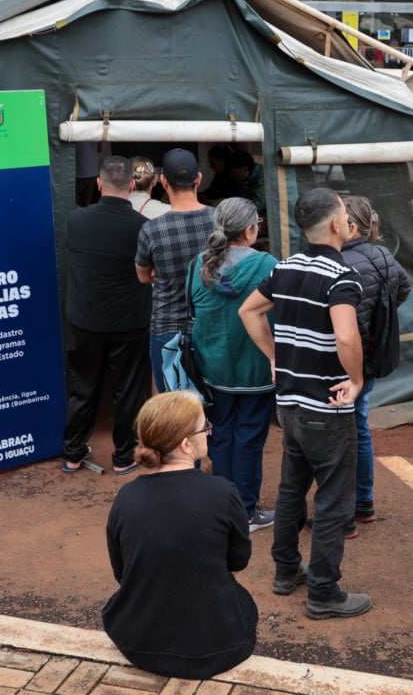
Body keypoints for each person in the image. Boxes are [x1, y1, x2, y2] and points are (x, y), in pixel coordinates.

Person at [239, 188, 372, 620]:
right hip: (327, 408)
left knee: (292, 488)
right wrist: (355, 380)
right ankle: (324, 592)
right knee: (334, 500)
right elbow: (346, 336)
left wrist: (276, 357)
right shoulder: (341, 276)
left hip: (290, 403)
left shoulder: (286, 267)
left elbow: (249, 312)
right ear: (337, 225)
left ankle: (285, 571)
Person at [102, 391, 258, 678]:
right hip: (219, 645)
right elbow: (238, 561)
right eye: (205, 427)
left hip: (139, 641)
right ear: (186, 444)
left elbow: (121, 572)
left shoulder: (126, 497)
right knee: (242, 602)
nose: (209, 432)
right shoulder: (223, 493)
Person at [190, 197, 279, 532]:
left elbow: (192, 309)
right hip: (256, 367)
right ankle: (245, 510)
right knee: (250, 437)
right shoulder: (268, 263)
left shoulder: (199, 264)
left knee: (220, 435)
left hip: (211, 368)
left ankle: (221, 506)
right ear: (249, 229)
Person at [61, 156, 152, 475]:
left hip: (84, 319)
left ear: (99, 184)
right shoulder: (143, 227)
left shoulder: (76, 220)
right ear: (131, 185)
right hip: (129, 321)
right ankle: (123, 457)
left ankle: (73, 454)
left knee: (82, 387)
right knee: (127, 390)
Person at [339, 196, 411, 538]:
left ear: (350, 226)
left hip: (343, 359)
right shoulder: (383, 255)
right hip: (372, 356)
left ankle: (343, 512)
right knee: (360, 425)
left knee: (339, 434)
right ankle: (363, 502)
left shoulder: (338, 262)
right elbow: (404, 289)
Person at [135, 148, 216, 393]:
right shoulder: (218, 221)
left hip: (166, 328)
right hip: (210, 324)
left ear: (163, 181)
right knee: (211, 400)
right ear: (198, 179)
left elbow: (142, 275)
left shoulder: (152, 229)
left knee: (173, 408)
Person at [226, 150, 266, 216]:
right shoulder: (245, 180)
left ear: (244, 169)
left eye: (234, 173)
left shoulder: (262, 179)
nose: (231, 176)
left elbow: (256, 206)